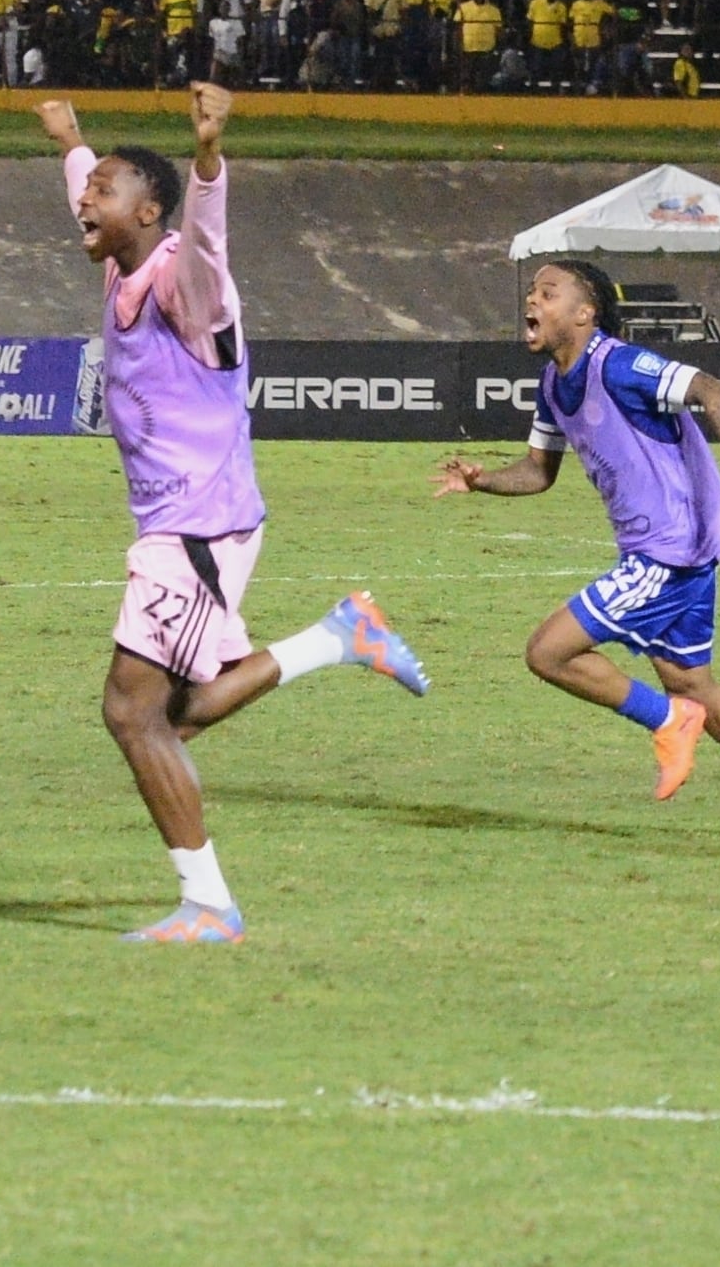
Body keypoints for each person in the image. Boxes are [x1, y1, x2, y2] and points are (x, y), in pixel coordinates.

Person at [39, 83, 431, 945]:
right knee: (175, 715)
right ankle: (338, 637)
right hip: (199, 521)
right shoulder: (124, 260)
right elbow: (95, 188)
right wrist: (72, 140)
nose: (86, 200)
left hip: (195, 526)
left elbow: (206, 244)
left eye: (103, 191)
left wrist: (209, 160)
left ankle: (210, 907)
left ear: (149, 212)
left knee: (130, 713)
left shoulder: (189, 288)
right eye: (89, 187)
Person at [438, 259, 720, 845]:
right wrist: (481, 480)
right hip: (681, 549)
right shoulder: (552, 385)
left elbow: (712, 388)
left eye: (549, 293)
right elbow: (537, 472)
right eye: (531, 292)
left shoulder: (618, 364)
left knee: (549, 653)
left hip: (666, 551)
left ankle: (667, 721)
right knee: (693, 683)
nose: (533, 301)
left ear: (584, 312)